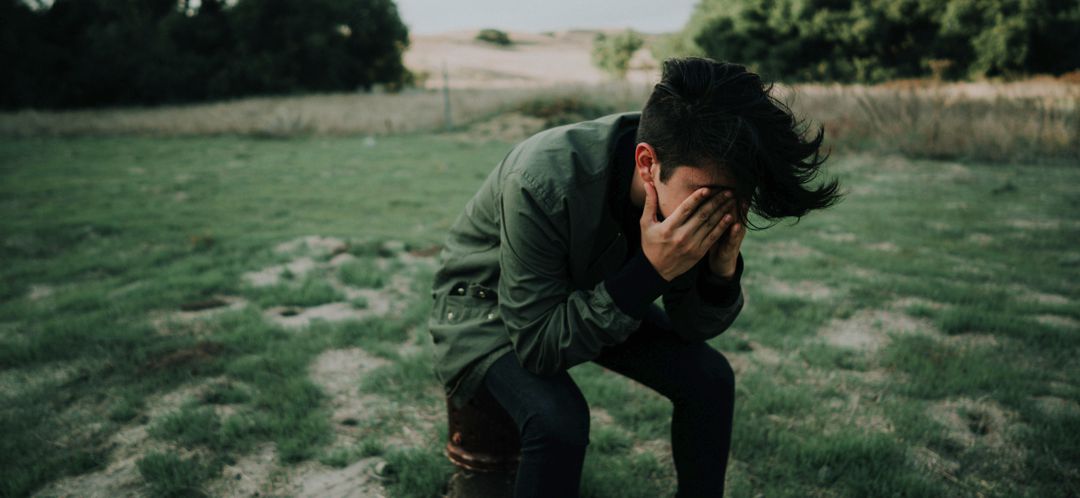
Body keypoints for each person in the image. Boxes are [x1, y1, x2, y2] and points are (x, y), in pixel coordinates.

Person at [427, 56, 841, 498]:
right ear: (647, 163)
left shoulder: (693, 175)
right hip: (486, 309)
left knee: (710, 379)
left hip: (589, 293)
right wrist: (651, 271)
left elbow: (691, 326)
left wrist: (720, 274)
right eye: (710, 197)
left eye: (739, 197)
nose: (721, 211)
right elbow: (539, 345)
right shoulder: (542, 177)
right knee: (559, 420)